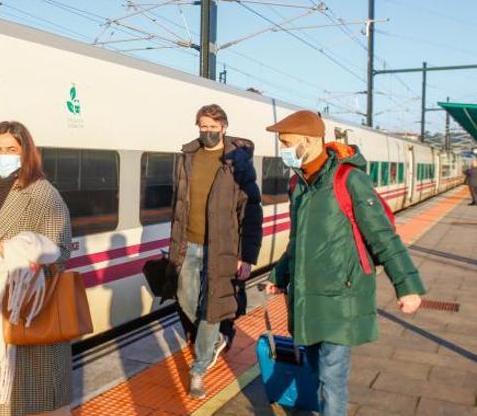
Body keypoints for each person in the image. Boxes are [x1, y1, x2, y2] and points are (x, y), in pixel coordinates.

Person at [264, 110, 425, 416]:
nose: (282, 148)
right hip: (305, 297)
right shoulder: (298, 185)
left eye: (286, 141)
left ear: (310, 141)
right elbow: (297, 242)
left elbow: (382, 235)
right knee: (313, 372)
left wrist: (407, 286)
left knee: (331, 378)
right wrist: (279, 275)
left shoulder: (348, 178)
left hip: (341, 295)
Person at [0, 121, 73, 416]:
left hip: (24, 313)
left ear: (26, 153)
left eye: (11, 149)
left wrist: (18, 251)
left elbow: (60, 251)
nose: (3, 155)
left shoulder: (43, 194)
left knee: (30, 402)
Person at [168, 104, 263, 399]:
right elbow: (179, 204)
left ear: (223, 126)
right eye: (202, 126)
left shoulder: (238, 161)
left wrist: (247, 256)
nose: (207, 131)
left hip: (221, 248)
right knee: (185, 297)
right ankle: (217, 336)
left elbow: (251, 210)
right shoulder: (187, 158)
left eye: (212, 126)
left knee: (209, 307)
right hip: (188, 244)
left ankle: (199, 368)